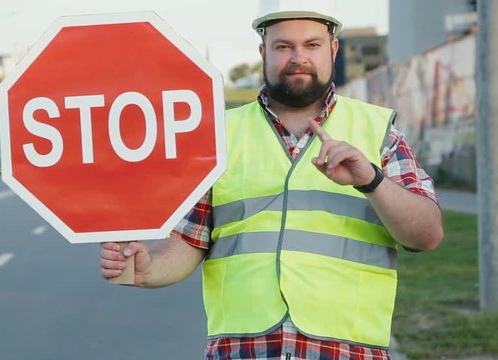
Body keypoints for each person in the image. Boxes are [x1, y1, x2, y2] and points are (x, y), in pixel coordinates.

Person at [100, 1, 443, 358]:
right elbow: (190, 241)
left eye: (312, 45)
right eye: (284, 46)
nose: (298, 57)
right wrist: (148, 268)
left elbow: (426, 234)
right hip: (242, 349)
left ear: (333, 49)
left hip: (346, 350)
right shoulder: (221, 136)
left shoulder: (378, 132)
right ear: (263, 52)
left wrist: (371, 180)